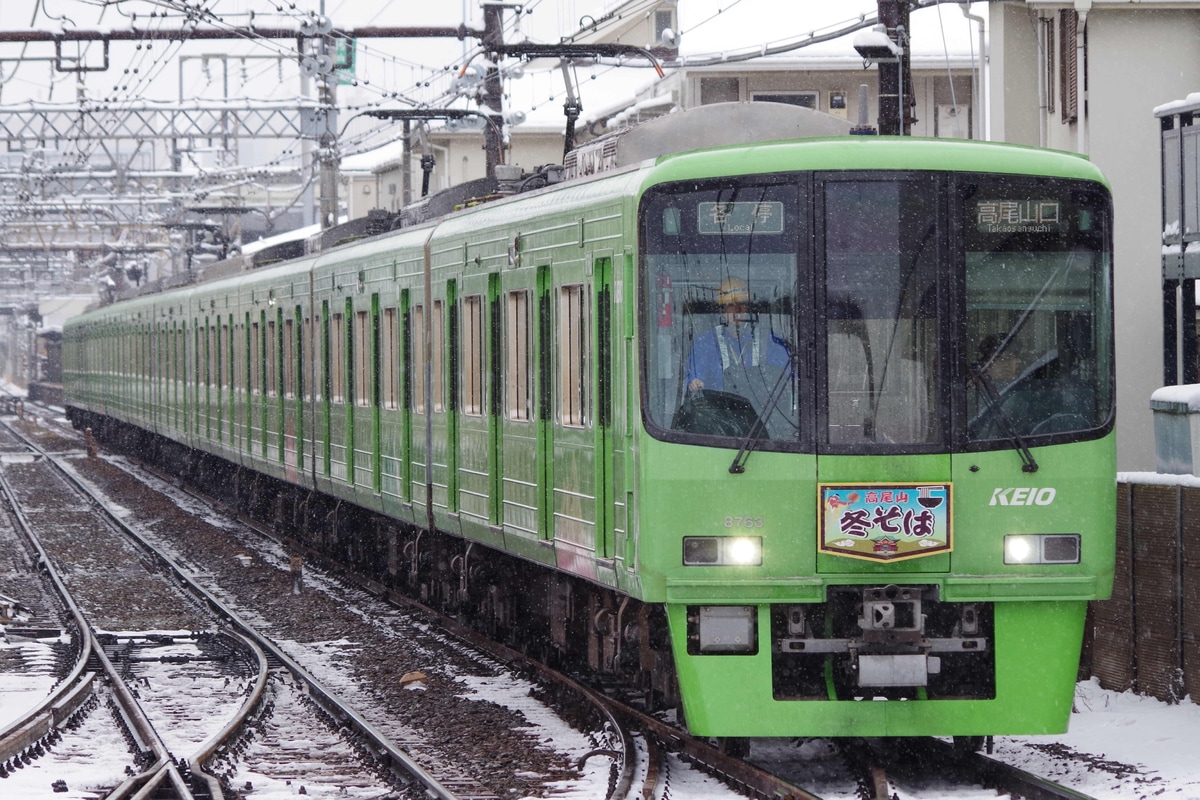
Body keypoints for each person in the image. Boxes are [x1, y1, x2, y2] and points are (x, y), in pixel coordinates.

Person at [685, 277, 792, 393]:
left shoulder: (769, 341)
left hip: (762, 409)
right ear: (722, 310)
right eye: (731, 305)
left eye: (742, 303)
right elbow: (694, 377)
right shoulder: (706, 343)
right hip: (718, 408)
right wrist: (695, 382)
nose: (737, 310)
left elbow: (790, 379)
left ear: (748, 307)